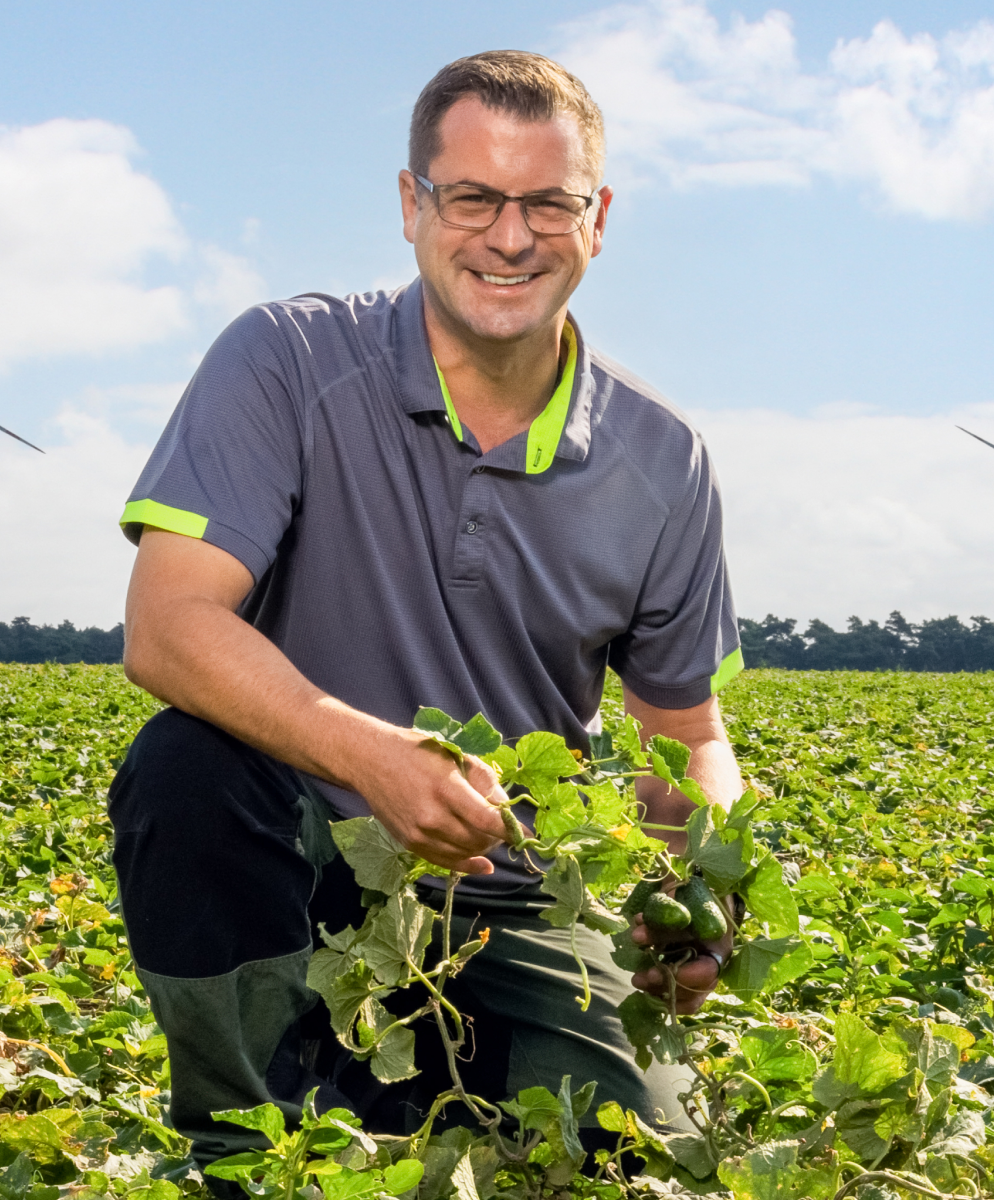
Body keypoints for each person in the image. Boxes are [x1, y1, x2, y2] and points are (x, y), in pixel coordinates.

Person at [104, 49, 745, 1185]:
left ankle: (418, 1080)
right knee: (185, 770)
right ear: (413, 206)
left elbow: (682, 733)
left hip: (520, 893)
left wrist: (701, 878)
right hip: (309, 866)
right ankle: (250, 1136)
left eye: (548, 203)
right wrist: (372, 756)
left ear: (597, 218)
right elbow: (168, 627)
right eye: (475, 198)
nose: (510, 238)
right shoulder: (289, 361)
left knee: (642, 1155)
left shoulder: (664, 458)